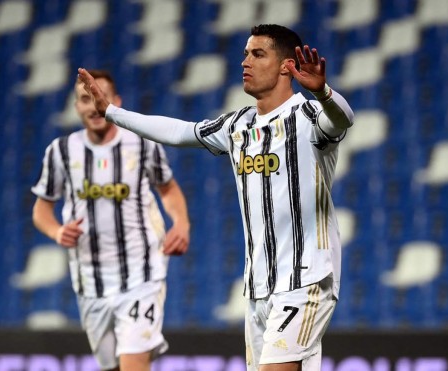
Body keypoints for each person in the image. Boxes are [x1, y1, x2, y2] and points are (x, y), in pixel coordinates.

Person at [78, 24, 354, 371]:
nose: (245, 62)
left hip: (305, 279)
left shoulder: (308, 115)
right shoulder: (238, 126)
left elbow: (343, 120)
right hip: (258, 288)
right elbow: (180, 132)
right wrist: (114, 113)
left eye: (257, 54)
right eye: (244, 54)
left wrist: (324, 93)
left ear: (287, 66)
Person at [31, 70, 190, 371]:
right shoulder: (61, 152)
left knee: (133, 364)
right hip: (91, 282)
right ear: (76, 107)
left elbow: (168, 190)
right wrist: (57, 232)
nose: (93, 106)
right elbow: (41, 210)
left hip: (141, 275)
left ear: (115, 102)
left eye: (99, 97)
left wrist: (181, 223)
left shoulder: (142, 144)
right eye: (84, 99)